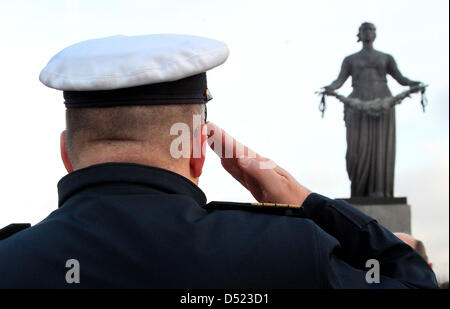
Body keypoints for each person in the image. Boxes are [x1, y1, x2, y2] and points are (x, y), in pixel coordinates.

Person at [0, 34, 438, 289]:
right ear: (196, 149)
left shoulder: (9, 262)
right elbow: (415, 282)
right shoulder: (288, 254)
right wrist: (303, 200)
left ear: (65, 153)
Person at [324, 22, 421, 198]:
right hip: (357, 102)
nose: (368, 32)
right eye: (364, 29)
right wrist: (329, 88)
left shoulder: (386, 58)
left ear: (375, 34)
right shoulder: (350, 59)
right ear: (359, 34)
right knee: (357, 149)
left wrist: (414, 84)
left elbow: (400, 78)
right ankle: (359, 190)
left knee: (380, 146)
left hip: (383, 100)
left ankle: (379, 190)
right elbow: (339, 81)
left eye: (371, 29)